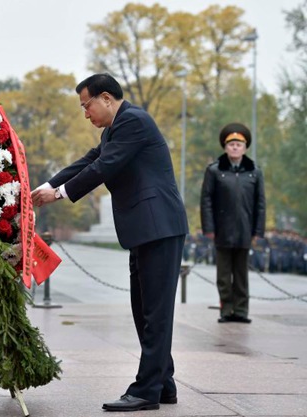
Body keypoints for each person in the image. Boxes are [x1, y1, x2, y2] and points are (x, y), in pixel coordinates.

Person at [31, 73, 188, 412]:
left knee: (155, 313)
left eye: (86, 105)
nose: (85, 113)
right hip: (146, 230)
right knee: (144, 311)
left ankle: (146, 390)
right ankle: (164, 383)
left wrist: (58, 194)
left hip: (159, 227)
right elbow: (89, 160)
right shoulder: (114, 130)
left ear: (106, 98)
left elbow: (105, 166)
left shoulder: (134, 121)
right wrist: (46, 186)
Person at [200, 123, 265, 324]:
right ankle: (226, 310)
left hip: (245, 230)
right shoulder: (214, 171)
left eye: (239, 144)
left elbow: (260, 204)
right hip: (222, 230)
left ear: (245, 148)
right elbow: (206, 201)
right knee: (223, 275)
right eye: (232, 144)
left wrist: (258, 231)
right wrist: (209, 228)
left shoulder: (254, 172)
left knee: (241, 275)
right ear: (225, 148)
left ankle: (241, 311)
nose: (235, 147)